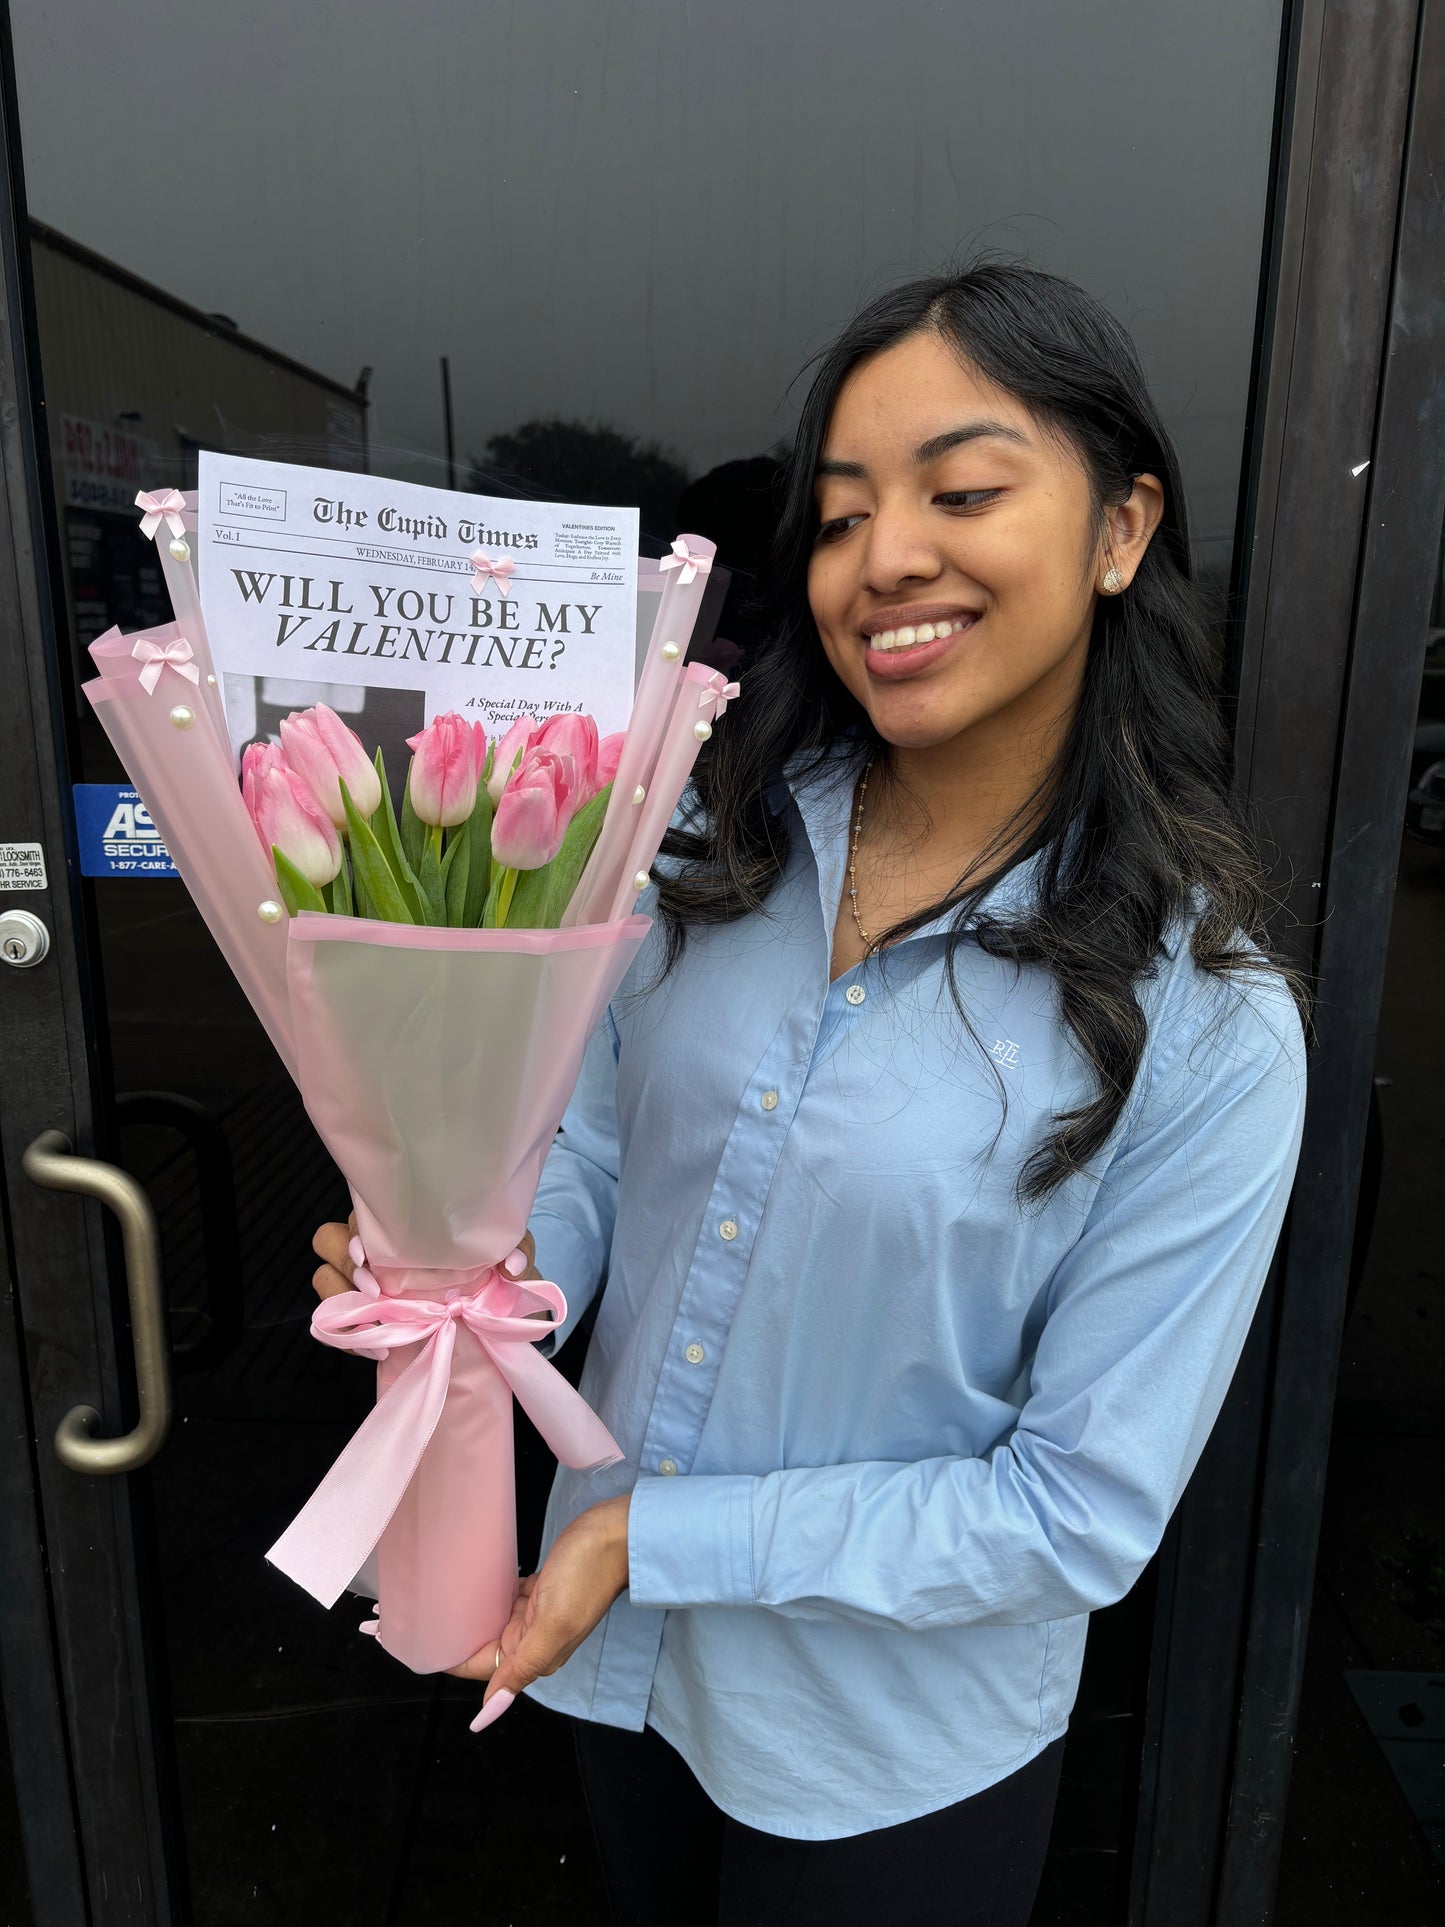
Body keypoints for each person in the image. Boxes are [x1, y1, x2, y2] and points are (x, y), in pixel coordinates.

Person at [313, 263, 1309, 1927]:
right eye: (840, 517)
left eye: (964, 491)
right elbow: (604, 1149)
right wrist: (457, 1270)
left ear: (1123, 528)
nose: (886, 558)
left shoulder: (1205, 1025)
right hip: (613, 1672)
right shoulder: (709, 846)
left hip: (883, 1754)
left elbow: (1075, 1516)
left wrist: (651, 1540)